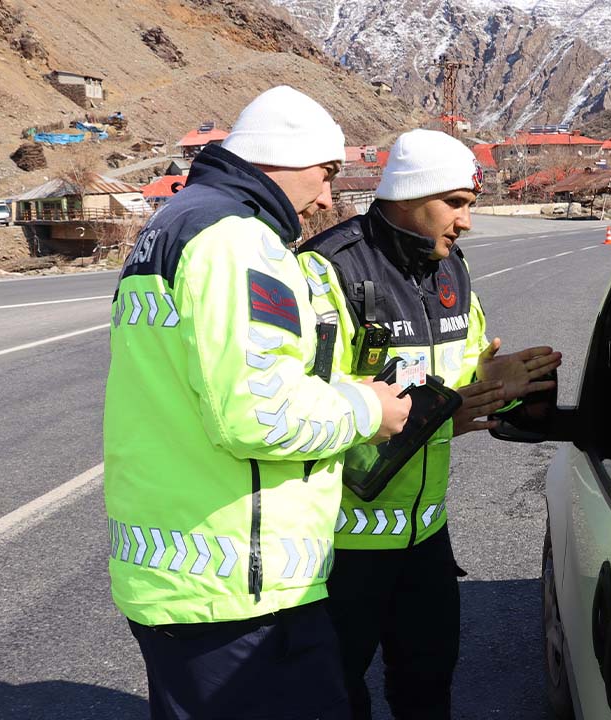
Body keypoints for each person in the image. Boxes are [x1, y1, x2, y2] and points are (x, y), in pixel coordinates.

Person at [103, 85, 411, 720]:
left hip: (182, 578)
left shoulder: (173, 224)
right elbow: (257, 414)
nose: (326, 197)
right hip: (240, 589)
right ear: (287, 156)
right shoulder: (237, 241)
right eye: (326, 173)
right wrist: (365, 410)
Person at [298, 128, 562, 719]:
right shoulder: (326, 271)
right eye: (458, 205)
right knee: (333, 694)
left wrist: (494, 375)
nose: (466, 222)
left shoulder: (452, 271)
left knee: (429, 682)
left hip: (424, 533)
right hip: (341, 544)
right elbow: (309, 406)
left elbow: (462, 368)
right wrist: (447, 413)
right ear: (412, 196)